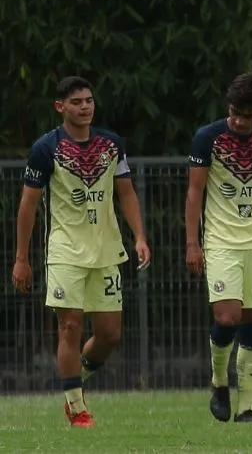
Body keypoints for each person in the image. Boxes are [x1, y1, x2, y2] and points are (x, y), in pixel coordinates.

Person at [11, 76, 151, 428]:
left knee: (109, 335)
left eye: (88, 100)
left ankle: (77, 382)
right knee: (70, 325)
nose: (85, 106)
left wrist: (139, 237)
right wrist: (21, 258)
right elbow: (28, 205)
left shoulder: (111, 145)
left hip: (106, 251)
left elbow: (127, 193)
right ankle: (77, 408)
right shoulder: (46, 148)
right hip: (65, 251)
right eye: (76, 102)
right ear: (60, 107)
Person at [185, 72, 252, 423]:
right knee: (227, 316)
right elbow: (195, 192)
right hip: (221, 243)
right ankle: (219, 382)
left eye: (246, 115)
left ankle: (246, 407)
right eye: (234, 112)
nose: (237, 120)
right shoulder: (208, 138)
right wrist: (192, 243)